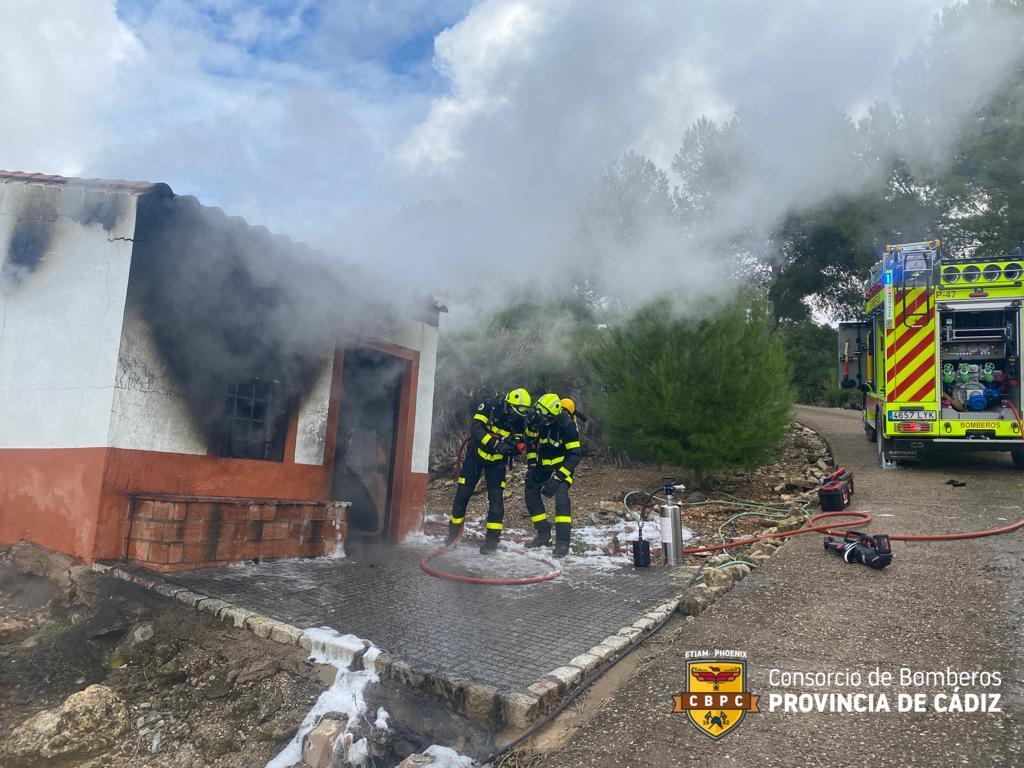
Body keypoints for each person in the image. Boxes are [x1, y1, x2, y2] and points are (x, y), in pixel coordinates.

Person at [448, 388, 533, 553]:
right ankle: (452, 537)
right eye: (515, 413)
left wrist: (515, 448)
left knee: (496, 503)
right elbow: (476, 429)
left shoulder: (519, 418)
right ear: (509, 405)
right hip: (476, 457)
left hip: (496, 463)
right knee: (462, 497)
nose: (515, 417)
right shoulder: (490, 406)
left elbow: (518, 440)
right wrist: (495, 444)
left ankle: (492, 543)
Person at [523, 394, 582, 557]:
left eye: (540, 415)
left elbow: (575, 455)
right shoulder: (535, 423)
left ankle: (563, 543)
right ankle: (543, 534)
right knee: (530, 490)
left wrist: (557, 479)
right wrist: (532, 467)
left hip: (562, 466)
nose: (536, 417)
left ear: (550, 416)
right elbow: (531, 446)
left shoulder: (565, 423)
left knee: (561, 497)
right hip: (543, 465)